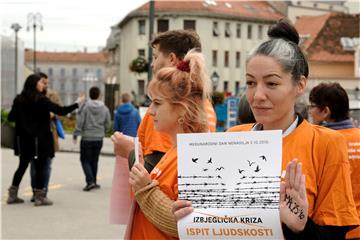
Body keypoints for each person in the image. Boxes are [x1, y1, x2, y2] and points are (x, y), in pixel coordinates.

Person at [172, 19, 359, 239]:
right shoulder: (232, 138)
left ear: (299, 85)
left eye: (271, 83)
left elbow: (335, 235)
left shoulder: (327, 144)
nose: (257, 96)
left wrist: (300, 227)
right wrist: (189, 217)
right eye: (251, 83)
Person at [128, 50, 210, 239]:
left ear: (181, 110)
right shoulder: (178, 150)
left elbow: (189, 227)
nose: (150, 112)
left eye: (157, 103)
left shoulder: (195, 157)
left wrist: (145, 188)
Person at [112, 30, 217, 173]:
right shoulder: (203, 103)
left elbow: (156, 174)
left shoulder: (168, 110)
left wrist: (130, 151)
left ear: (172, 58)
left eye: (155, 57)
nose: (152, 64)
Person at [7, 73, 84, 206]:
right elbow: (61, 110)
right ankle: (39, 197)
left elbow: (11, 117)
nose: (44, 85)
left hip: (24, 141)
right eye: (42, 83)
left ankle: (12, 195)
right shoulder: (42, 100)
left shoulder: (19, 99)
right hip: (39, 140)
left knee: (22, 166)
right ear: (34, 84)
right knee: (41, 167)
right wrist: (77, 103)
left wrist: (25, 118)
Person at [309, 82, 360, 239]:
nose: (309, 111)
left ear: (325, 111)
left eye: (312, 106)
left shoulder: (318, 143)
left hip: (330, 229)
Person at [30, 72, 62, 202]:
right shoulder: (29, 96)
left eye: (46, 82)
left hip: (49, 134)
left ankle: (43, 192)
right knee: (34, 166)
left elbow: (60, 112)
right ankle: (35, 192)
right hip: (33, 135)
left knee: (47, 165)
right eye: (43, 82)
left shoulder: (53, 95)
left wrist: (53, 115)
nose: (45, 85)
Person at [73, 86, 111, 191]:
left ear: (90, 95)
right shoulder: (105, 108)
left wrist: (76, 133)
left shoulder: (85, 107)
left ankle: (90, 182)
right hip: (99, 138)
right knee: (95, 160)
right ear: (99, 95)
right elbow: (108, 123)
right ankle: (93, 181)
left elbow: (80, 121)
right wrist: (104, 130)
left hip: (87, 138)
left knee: (85, 160)